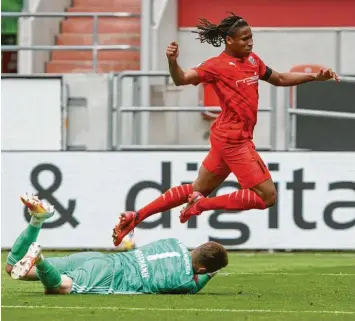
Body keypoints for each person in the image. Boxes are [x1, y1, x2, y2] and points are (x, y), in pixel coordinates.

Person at [112, 12, 339, 247]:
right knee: (267, 196)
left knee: (197, 188)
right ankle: (201, 205)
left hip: (226, 138)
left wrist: (314, 76)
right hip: (234, 141)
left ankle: (136, 216)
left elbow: (279, 78)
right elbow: (181, 79)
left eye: (251, 38)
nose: (250, 43)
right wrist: (172, 62)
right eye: (244, 39)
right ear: (229, 40)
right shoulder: (215, 66)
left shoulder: (253, 61)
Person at [6, 194, 228, 295]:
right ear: (200, 269)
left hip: (99, 258)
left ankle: (37, 220)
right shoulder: (185, 281)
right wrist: (210, 272)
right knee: (59, 288)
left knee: (12, 268)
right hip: (108, 275)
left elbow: (196, 260)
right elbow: (200, 280)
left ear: (196, 248)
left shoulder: (173, 241)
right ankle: (41, 259)